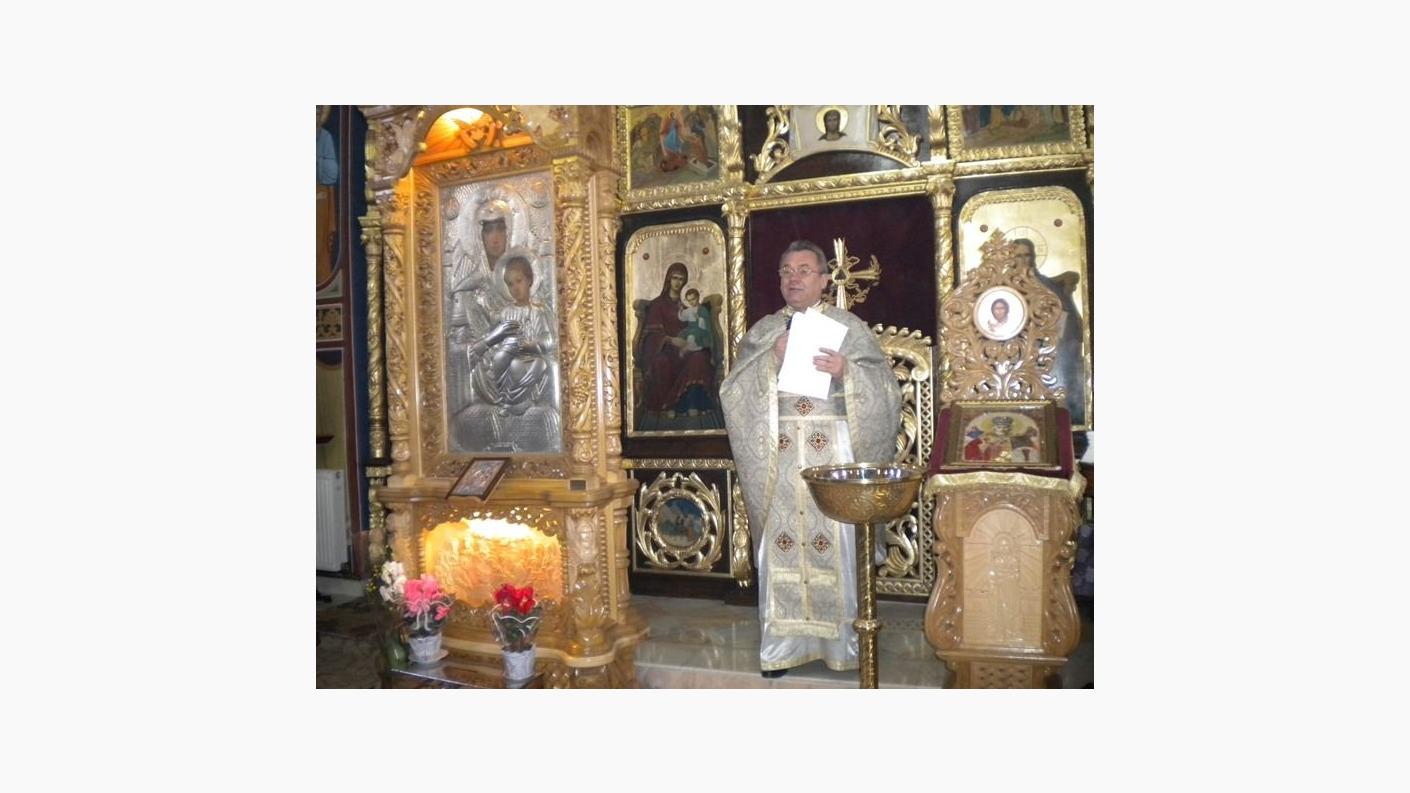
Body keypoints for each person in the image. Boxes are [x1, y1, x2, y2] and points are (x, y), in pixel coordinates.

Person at [720, 239, 901, 678]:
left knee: (836, 542)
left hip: (832, 452)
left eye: (803, 270)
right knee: (781, 545)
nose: (793, 278)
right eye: (786, 271)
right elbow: (734, 391)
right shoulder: (765, 332)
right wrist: (770, 359)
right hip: (779, 457)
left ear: (824, 279)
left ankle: (843, 646)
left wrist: (847, 372)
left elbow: (886, 390)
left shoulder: (848, 327)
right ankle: (781, 648)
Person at [465, 254, 559, 419]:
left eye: (519, 281)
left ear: (530, 280)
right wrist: (481, 303)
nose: (515, 287)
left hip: (529, 357)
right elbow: (493, 329)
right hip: (508, 354)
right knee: (501, 360)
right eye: (510, 284)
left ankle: (518, 400)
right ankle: (505, 399)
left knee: (537, 364)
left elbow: (548, 339)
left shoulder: (537, 312)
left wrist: (530, 345)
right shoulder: (506, 312)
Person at [1012, 237, 1085, 425]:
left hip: (1046, 352)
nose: (1024, 260)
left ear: (1033, 257)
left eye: (1027, 255)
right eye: (1018, 256)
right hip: (1014, 353)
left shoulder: (1048, 286)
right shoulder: (1005, 288)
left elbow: (1064, 317)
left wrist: (1051, 339)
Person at [639, 262, 717, 422]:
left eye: (681, 279)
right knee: (661, 362)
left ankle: (691, 404)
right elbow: (650, 334)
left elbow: (698, 326)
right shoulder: (657, 305)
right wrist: (670, 340)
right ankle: (667, 406)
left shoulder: (689, 304)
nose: (677, 282)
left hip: (689, 346)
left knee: (699, 357)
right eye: (674, 277)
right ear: (668, 278)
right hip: (667, 348)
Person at [677, 288, 715, 354]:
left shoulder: (702, 309)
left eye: (693, 299)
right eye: (689, 300)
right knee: (681, 335)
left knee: (691, 337)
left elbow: (706, 324)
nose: (691, 302)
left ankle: (688, 349)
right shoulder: (689, 310)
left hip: (700, 329)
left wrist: (699, 318)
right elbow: (682, 318)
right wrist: (680, 309)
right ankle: (684, 349)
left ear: (698, 297)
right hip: (690, 328)